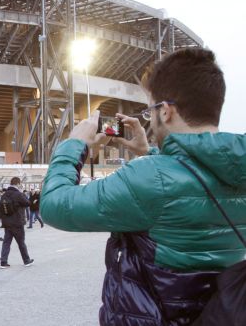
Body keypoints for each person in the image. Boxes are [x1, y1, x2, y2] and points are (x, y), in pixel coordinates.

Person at [41, 48, 246, 325]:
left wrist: (74, 145)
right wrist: (147, 151)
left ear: (165, 110)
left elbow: (55, 205)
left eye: (150, 111)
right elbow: (188, 180)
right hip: (220, 313)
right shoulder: (237, 167)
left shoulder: (149, 177)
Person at [0, 177, 34, 269]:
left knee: (6, 243)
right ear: (18, 184)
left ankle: (3, 262)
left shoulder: (4, 194)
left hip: (7, 223)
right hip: (17, 223)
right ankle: (26, 261)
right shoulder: (18, 194)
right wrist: (22, 193)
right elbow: (27, 203)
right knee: (21, 243)